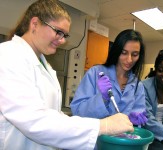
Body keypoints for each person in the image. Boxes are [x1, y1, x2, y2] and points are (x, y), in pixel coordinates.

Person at [0, 0, 134, 150]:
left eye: (65, 35)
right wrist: (102, 125)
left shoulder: (44, 65)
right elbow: (34, 120)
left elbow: (52, 115)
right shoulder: (8, 55)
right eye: (58, 32)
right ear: (35, 24)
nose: (62, 40)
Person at [70, 29, 147, 126]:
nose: (129, 59)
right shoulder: (95, 73)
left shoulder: (137, 85)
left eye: (135, 54)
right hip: (96, 139)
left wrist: (136, 120)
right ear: (116, 51)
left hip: (123, 140)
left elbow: (138, 117)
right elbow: (77, 111)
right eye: (124, 53)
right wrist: (102, 99)